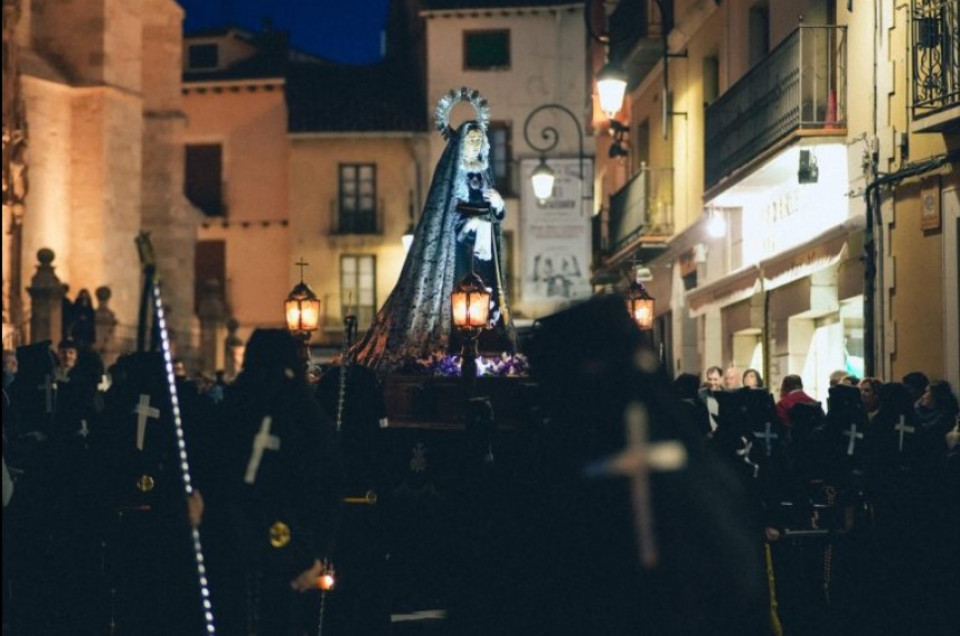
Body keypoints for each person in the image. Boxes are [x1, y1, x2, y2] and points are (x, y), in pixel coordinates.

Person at [352, 88, 517, 371]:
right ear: (460, 143)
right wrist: (472, 222)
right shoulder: (451, 176)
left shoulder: (484, 173)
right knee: (460, 293)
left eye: (480, 139)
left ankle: (487, 335)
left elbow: (495, 212)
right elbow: (444, 214)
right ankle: (456, 336)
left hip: (484, 250)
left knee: (485, 293)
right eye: (471, 139)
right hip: (459, 250)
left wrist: (498, 205)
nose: (476, 143)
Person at [213, 329, 344, 635]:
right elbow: (328, 484)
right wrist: (318, 550)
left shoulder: (236, 405)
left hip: (246, 542)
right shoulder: (302, 410)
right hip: (284, 545)